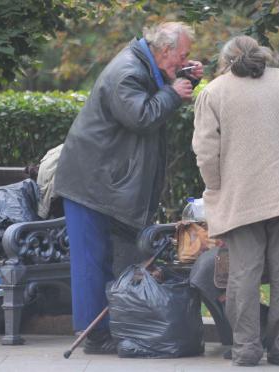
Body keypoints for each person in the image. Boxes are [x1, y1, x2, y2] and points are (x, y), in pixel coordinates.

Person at [54, 22, 203, 354]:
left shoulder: (143, 65)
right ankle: (94, 335)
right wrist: (173, 91)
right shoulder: (127, 71)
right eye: (183, 55)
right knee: (91, 263)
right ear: (164, 50)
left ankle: (108, 328)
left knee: (112, 257)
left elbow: (154, 96)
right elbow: (142, 116)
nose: (184, 60)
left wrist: (184, 79)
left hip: (104, 180)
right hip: (89, 183)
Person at [192, 35, 279, 366]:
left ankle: (247, 348)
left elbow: (206, 152)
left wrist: (216, 187)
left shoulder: (215, 92)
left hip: (240, 197)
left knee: (243, 274)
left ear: (226, 60)